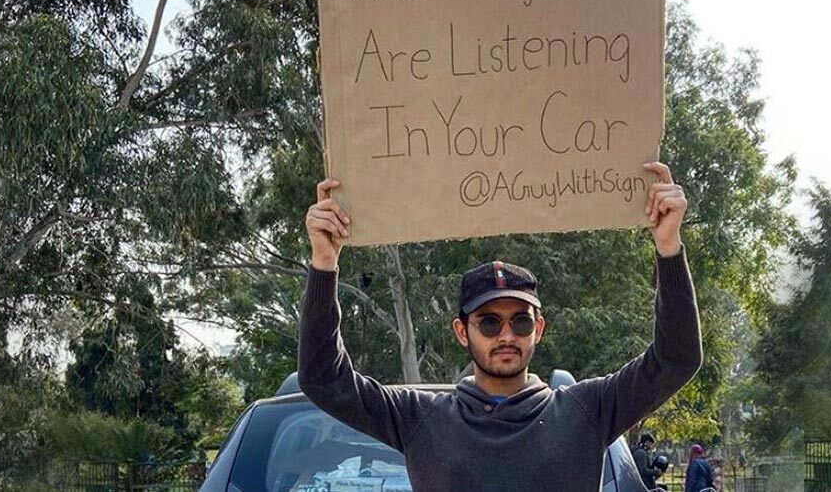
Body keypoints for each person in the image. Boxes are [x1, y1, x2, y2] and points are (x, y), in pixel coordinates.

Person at [299, 162, 702, 491]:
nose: (507, 335)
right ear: (462, 331)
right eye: (489, 323)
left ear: (538, 328)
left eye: (520, 321)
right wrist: (324, 262)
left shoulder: (587, 410)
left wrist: (668, 248)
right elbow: (322, 379)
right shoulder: (419, 417)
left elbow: (677, 359)